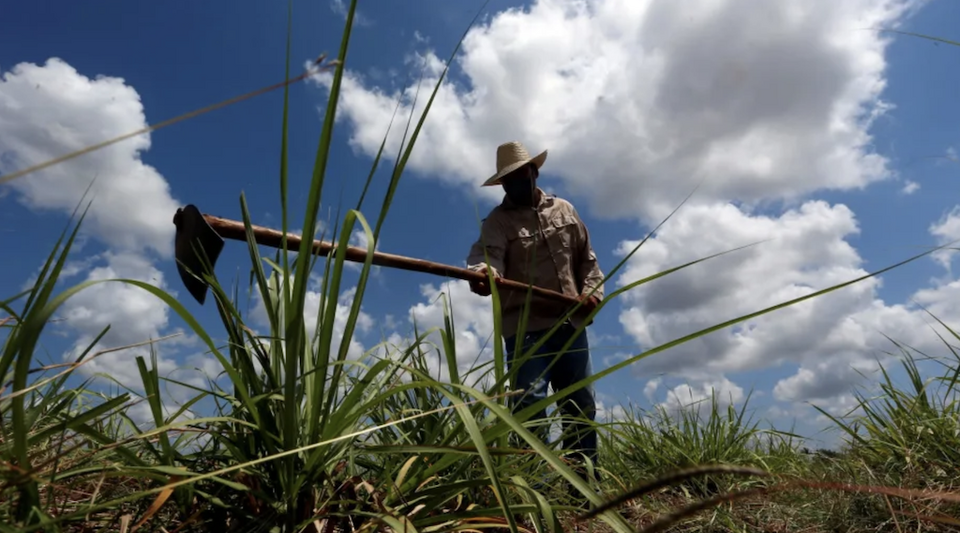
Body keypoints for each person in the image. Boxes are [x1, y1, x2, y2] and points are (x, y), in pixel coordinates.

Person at [465, 140, 605, 484]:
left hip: (570, 324)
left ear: (534, 172)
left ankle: (584, 482)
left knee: (580, 404)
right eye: (509, 178)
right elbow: (487, 256)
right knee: (529, 407)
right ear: (502, 184)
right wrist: (485, 273)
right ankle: (535, 488)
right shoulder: (497, 223)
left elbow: (588, 261)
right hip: (526, 329)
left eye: (522, 174)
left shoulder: (565, 210)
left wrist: (592, 294)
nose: (517, 182)